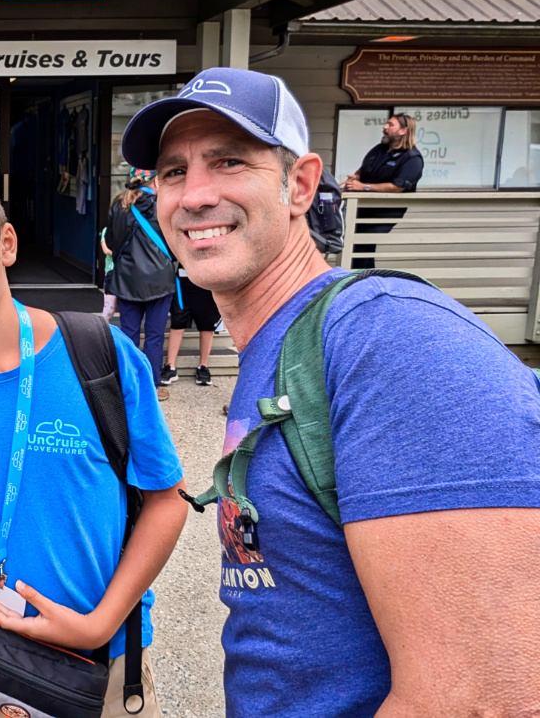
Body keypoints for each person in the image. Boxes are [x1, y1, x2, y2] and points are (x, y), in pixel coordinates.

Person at [122, 67, 540, 718]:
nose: (194, 195)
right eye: (173, 172)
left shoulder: (392, 343)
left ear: (301, 184)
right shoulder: (281, 347)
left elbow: (479, 698)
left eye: (229, 161)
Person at [0, 163, 187, 718]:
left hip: (100, 659)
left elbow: (166, 502)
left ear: (5, 243)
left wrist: (101, 621)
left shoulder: (100, 353)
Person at [104, 168, 175, 402]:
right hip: (160, 282)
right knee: (155, 335)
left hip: (126, 280)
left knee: (129, 334)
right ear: (155, 179)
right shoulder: (162, 206)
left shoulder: (118, 206)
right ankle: (152, 386)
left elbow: (112, 243)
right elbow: (174, 245)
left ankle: (129, 384)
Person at [341, 113, 424, 268]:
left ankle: (361, 280)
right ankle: (361, 279)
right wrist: (355, 178)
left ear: (403, 131)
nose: (384, 127)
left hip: (385, 211)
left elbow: (397, 187)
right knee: (357, 244)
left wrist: (364, 187)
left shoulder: (412, 158)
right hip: (363, 207)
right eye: (386, 124)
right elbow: (363, 169)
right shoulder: (379, 149)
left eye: (390, 125)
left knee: (363, 242)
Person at [160, 269, 219, 387]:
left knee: (207, 326)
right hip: (183, 280)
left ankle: (203, 367)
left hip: (209, 280)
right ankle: (170, 366)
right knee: (178, 322)